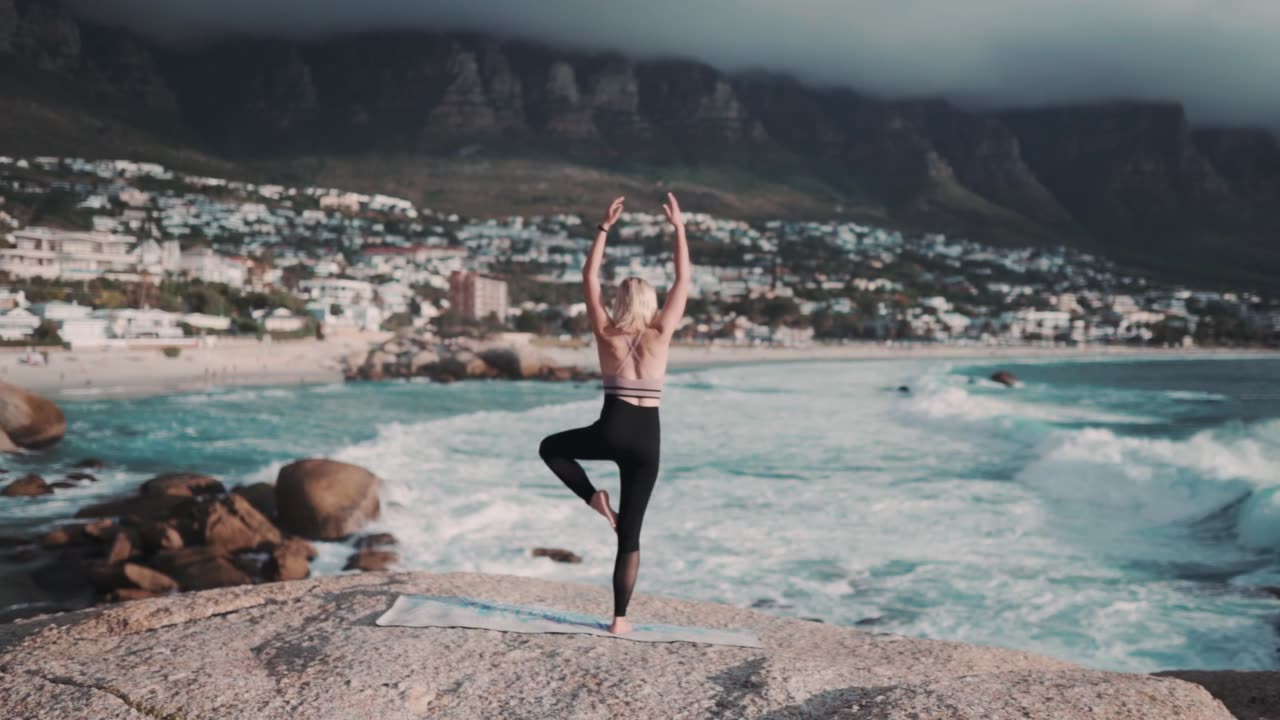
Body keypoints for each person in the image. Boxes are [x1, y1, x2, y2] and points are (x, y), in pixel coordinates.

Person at [539, 192, 690, 635]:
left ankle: (593, 499)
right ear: (650, 303)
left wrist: (604, 226)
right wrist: (678, 227)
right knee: (631, 536)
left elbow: (589, 276)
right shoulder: (662, 331)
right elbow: (684, 277)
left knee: (551, 448)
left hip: (611, 428)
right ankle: (620, 620)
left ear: (622, 302)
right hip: (648, 439)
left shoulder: (606, 332)